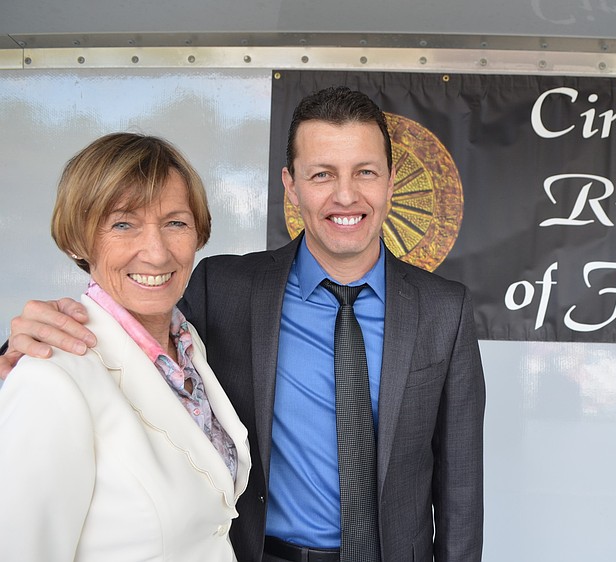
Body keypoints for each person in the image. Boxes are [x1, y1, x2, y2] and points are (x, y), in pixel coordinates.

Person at [1, 86, 486, 561]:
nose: (345, 194)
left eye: (365, 172)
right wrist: (15, 351)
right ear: (291, 185)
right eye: (321, 174)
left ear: (390, 181)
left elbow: (460, 481)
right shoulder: (222, 287)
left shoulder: (446, 310)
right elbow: (125, 319)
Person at [0, 133, 251, 561]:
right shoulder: (50, 379)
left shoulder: (188, 348)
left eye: (175, 222)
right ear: (78, 241)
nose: (156, 253)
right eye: (123, 224)